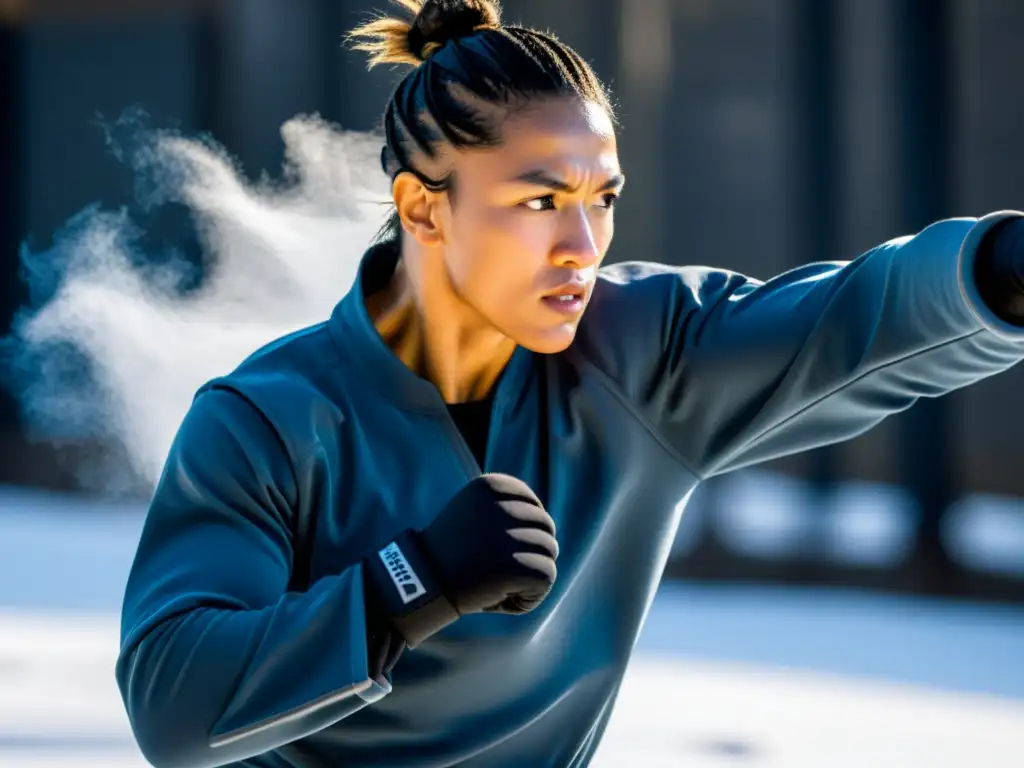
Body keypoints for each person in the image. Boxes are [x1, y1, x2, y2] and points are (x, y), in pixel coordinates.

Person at [115, 1, 1024, 766]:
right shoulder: (265, 421)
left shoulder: (644, 356)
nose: (583, 249)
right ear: (424, 206)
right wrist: (411, 581)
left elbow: (856, 318)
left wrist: (1004, 267)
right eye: (540, 202)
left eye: (603, 200)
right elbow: (174, 704)